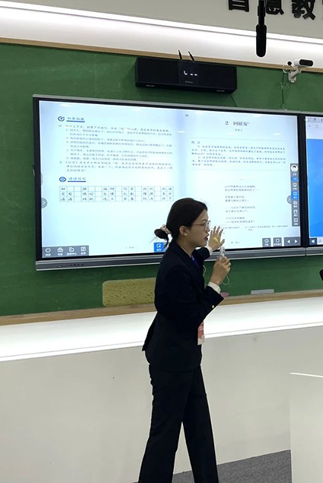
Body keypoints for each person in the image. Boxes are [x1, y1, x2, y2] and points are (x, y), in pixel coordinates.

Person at [138, 198, 231, 483]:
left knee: (200, 430)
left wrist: (210, 248)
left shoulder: (184, 255)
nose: (208, 228)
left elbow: (197, 258)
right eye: (203, 224)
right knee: (164, 437)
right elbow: (192, 316)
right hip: (171, 361)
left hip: (186, 358)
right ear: (183, 229)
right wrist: (215, 283)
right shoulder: (174, 268)